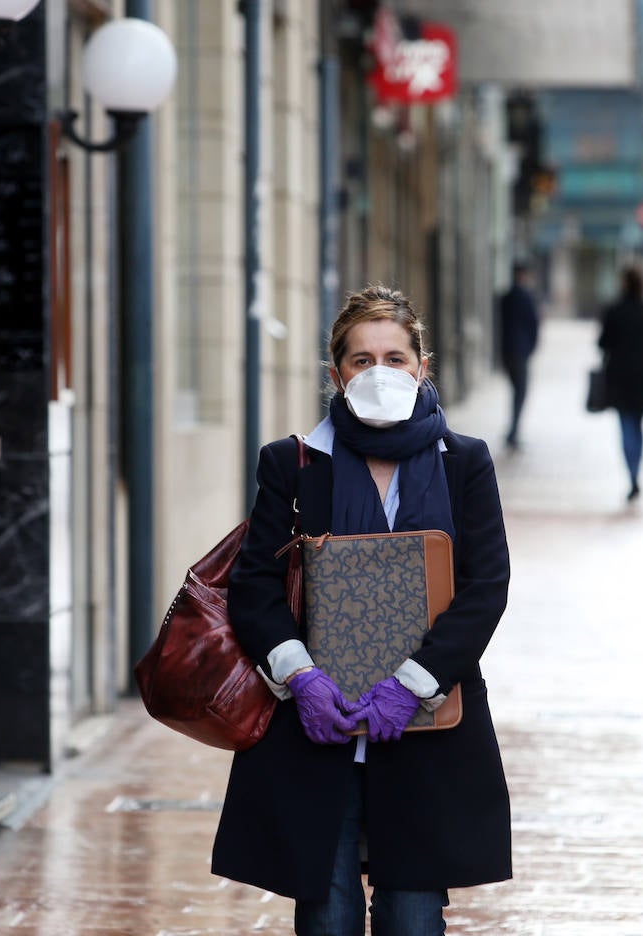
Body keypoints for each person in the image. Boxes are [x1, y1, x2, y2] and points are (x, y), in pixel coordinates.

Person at [212, 284, 513, 936]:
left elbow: (486, 587)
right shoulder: (291, 465)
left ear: (421, 367)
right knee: (327, 913)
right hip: (316, 730)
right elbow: (255, 586)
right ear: (336, 374)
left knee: (413, 916)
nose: (380, 372)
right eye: (361, 359)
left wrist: (412, 686)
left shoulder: (464, 464)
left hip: (427, 725)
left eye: (395, 358)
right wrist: (302, 678)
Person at [598, 265, 643, 502]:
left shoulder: (614, 311)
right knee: (638, 426)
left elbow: (603, 342)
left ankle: (632, 476)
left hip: (620, 375)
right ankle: (636, 473)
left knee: (626, 426)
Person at [497, 260, 541, 449]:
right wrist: (531, 348)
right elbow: (534, 324)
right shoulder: (526, 296)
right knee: (520, 393)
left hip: (507, 350)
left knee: (516, 391)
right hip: (520, 352)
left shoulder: (506, 297)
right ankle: (514, 432)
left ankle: (513, 431)